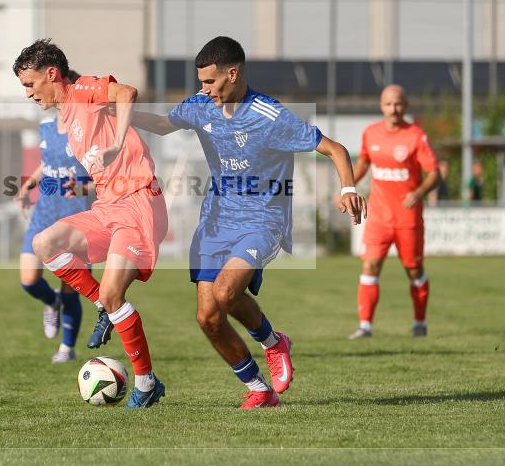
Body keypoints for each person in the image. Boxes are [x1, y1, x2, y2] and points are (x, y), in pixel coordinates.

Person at [131, 36, 366, 409]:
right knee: (207, 318)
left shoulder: (269, 116)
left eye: (210, 82)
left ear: (233, 73)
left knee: (226, 294)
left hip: (262, 220)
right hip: (216, 220)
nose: (203, 90)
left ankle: (274, 343)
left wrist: (348, 187)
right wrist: (117, 115)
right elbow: (161, 124)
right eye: (201, 82)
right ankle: (259, 389)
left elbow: (335, 149)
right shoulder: (201, 107)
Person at [13, 39, 169, 409]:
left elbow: (127, 92)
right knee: (44, 244)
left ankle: (146, 383)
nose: (28, 93)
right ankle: (103, 305)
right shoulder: (65, 115)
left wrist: (116, 145)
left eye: (30, 84)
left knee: (116, 296)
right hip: (107, 206)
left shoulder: (83, 90)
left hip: (137, 202)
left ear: (52, 74)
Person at [348, 84, 442, 339]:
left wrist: (419, 192)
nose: (393, 109)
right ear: (381, 106)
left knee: (414, 270)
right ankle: (365, 326)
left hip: (407, 217)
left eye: (398, 103)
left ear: (406, 106)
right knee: (370, 265)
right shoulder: (370, 133)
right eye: (388, 104)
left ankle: (420, 321)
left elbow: (435, 173)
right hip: (378, 215)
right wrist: (347, 188)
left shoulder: (415, 136)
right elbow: (363, 163)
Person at [16, 110, 93, 363]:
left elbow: (108, 174)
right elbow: (48, 163)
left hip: (77, 220)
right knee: (28, 280)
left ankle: (66, 350)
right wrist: (30, 183)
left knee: (72, 288)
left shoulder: (88, 128)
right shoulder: (46, 125)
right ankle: (51, 302)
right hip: (44, 215)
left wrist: (84, 188)